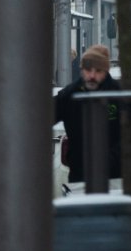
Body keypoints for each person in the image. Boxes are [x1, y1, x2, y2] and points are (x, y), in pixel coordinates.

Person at [53, 45, 123, 185]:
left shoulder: (119, 94)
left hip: (115, 176)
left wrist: (111, 158)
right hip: (80, 174)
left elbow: (130, 133)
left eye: (98, 71)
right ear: (82, 70)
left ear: (106, 71)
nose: (92, 76)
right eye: (88, 70)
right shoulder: (69, 95)